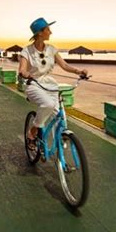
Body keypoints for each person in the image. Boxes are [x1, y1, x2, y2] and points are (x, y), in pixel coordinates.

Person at [18, 17, 88, 150]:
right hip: (33, 84)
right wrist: (25, 73)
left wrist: (78, 71)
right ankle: (32, 133)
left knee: (58, 116)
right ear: (40, 33)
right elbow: (22, 68)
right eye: (48, 29)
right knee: (48, 104)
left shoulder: (52, 49)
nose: (51, 32)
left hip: (50, 85)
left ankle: (59, 151)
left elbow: (64, 65)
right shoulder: (26, 51)